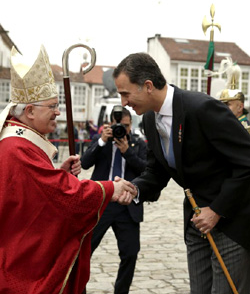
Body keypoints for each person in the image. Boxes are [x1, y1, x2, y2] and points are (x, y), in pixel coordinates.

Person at [0, 45, 136, 294]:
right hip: (23, 262)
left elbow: (39, 189)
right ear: (29, 111)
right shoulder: (17, 148)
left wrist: (58, 173)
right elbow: (61, 194)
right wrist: (110, 188)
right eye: (52, 106)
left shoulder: (17, 140)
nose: (58, 111)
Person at [113, 52, 250, 294]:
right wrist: (135, 188)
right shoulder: (148, 120)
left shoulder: (202, 108)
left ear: (147, 86)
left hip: (231, 221)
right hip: (195, 222)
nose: (123, 102)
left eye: (125, 93)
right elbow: (156, 172)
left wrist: (217, 210)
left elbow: (246, 162)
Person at [81, 106, 147, 294]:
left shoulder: (138, 144)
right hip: (101, 203)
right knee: (85, 251)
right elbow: (85, 162)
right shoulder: (100, 141)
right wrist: (102, 140)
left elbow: (145, 170)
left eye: (126, 126)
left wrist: (127, 152)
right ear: (110, 124)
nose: (122, 130)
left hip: (127, 207)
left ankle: (121, 291)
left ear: (131, 125)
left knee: (130, 254)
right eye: (118, 126)